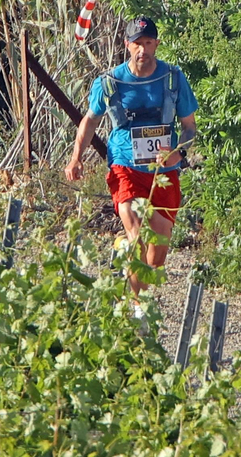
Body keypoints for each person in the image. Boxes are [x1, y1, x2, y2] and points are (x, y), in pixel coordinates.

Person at [64, 16, 199, 307]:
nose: (143, 50)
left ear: (156, 44)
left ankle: (137, 299)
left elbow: (189, 126)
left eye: (148, 43)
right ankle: (134, 311)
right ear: (127, 45)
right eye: (137, 44)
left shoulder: (173, 78)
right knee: (138, 235)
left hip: (163, 172)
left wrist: (179, 153)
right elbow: (90, 121)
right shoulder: (110, 82)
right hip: (125, 166)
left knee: (158, 251)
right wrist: (76, 158)